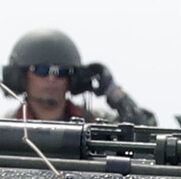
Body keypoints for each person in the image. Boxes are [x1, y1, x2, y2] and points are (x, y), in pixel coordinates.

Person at [5, 30, 155, 125]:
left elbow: (146, 132)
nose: (52, 78)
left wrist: (115, 93)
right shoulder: (6, 126)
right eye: (42, 70)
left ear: (72, 79)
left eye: (62, 71)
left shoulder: (95, 123)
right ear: (21, 77)